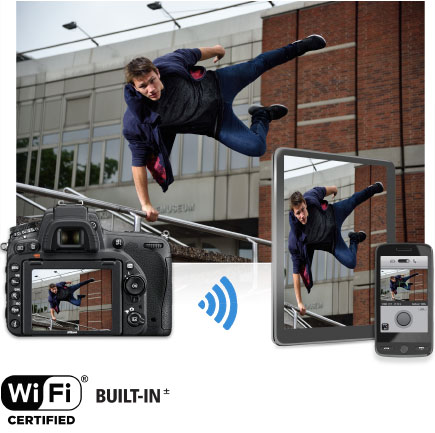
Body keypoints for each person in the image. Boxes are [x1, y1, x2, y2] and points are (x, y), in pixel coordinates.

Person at [123, 35, 327, 221]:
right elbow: (138, 163)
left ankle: (300, 46)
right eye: (143, 87)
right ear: (134, 88)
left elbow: (195, 53)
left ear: (157, 73)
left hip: (219, 84)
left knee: (258, 65)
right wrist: (146, 204)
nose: (151, 89)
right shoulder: (137, 120)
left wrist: (216, 49)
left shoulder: (169, 64)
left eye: (153, 81)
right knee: (256, 147)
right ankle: (262, 115)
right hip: (216, 124)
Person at [288, 182, 384, 315]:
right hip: (332, 243)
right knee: (351, 262)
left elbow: (326, 189)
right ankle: (354, 239)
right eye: (298, 213)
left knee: (353, 200)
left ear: (305, 203)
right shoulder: (295, 238)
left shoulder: (310, 196)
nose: (302, 216)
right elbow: (295, 272)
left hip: (334, 214)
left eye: (303, 210)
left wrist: (334, 189)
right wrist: (299, 302)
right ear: (293, 213)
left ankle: (373, 189)